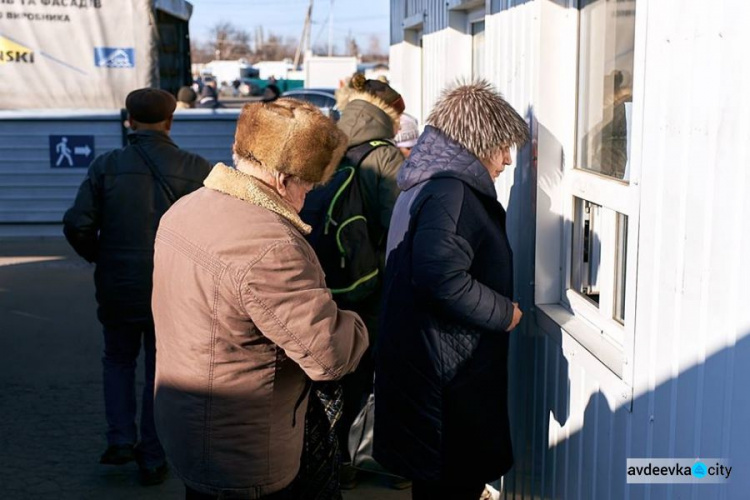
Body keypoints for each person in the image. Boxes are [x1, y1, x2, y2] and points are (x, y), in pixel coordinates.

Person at [151, 98, 370, 499]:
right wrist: (354, 322)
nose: (308, 196)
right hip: (246, 450)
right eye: (308, 184)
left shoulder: (185, 209)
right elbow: (329, 356)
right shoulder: (269, 244)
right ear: (284, 179)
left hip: (189, 423)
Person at [373, 80, 529, 500]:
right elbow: (440, 277)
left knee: (436, 482)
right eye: (503, 148)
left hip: (430, 366)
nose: (508, 161)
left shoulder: (430, 182)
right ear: (480, 141)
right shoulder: (451, 192)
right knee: (449, 483)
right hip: (445, 381)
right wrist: (504, 313)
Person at [62, 88, 212, 486]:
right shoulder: (196, 168)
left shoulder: (105, 166)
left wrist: (101, 256)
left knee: (117, 359)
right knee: (161, 369)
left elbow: (77, 223)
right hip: (173, 287)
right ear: (170, 121)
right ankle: (152, 454)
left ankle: (120, 439)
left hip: (118, 282)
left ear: (129, 120)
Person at [332, 72, 407, 489]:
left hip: (327, 278)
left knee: (335, 371)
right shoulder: (386, 157)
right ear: (390, 113)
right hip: (370, 285)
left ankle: (334, 459)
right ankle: (369, 461)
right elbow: (399, 229)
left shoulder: (329, 143)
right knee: (372, 374)